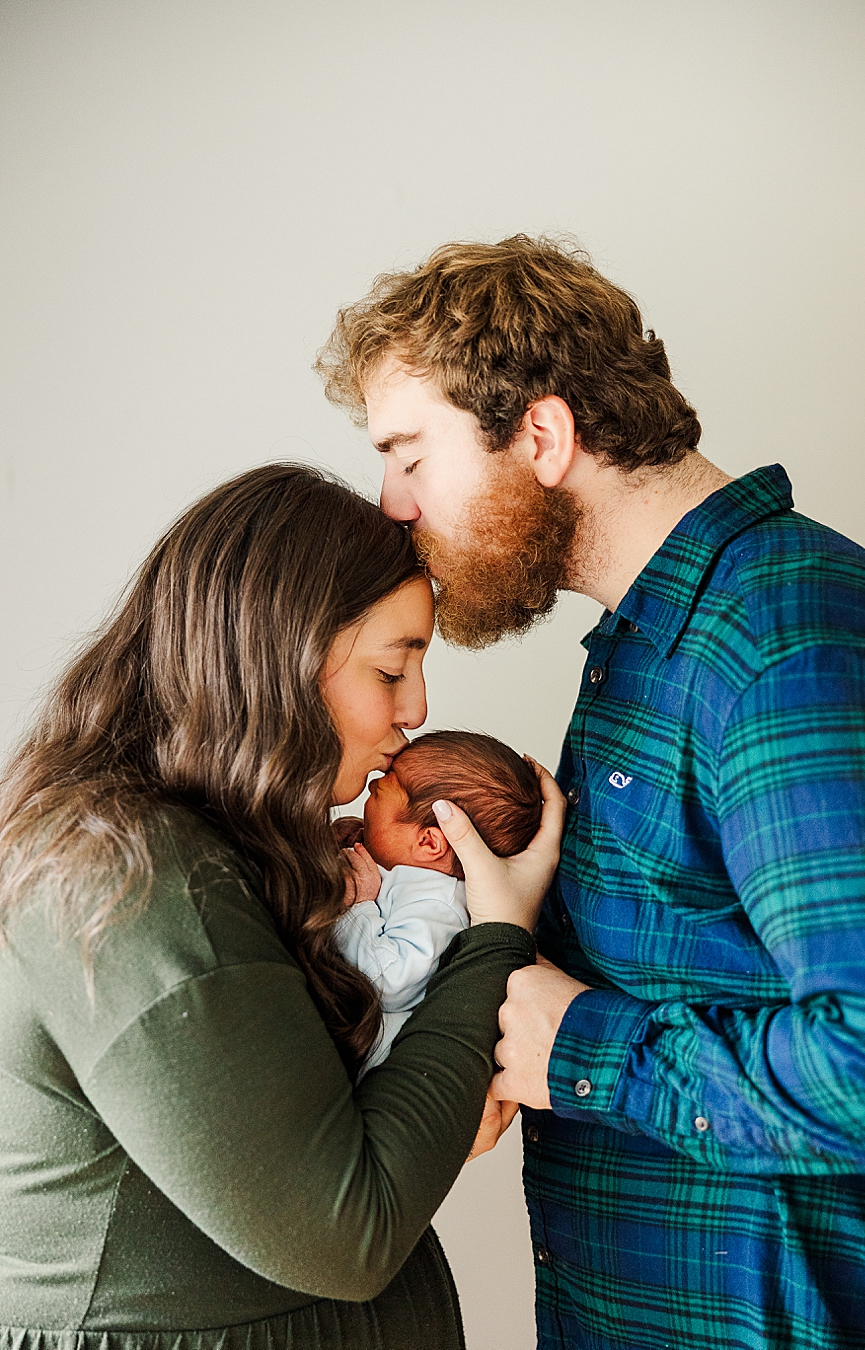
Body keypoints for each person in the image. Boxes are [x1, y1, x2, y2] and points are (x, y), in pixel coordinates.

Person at [317, 236, 865, 1349]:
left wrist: (583, 1047)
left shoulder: (782, 649)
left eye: (409, 454)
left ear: (540, 435)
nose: (391, 504)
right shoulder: (645, 649)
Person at [0, 462, 565, 1349]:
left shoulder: (246, 846)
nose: (418, 707)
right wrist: (496, 936)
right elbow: (351, 1232)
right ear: (282, 657)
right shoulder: (139, 878)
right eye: (393, 668)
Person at [336, 730, 542, 1070]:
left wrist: (358, 907)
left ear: (430, 843)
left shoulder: (439, 906)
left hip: (370, 1069)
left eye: (383, 790)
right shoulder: (409, 875)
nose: (371, 788)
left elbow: (389, 981)